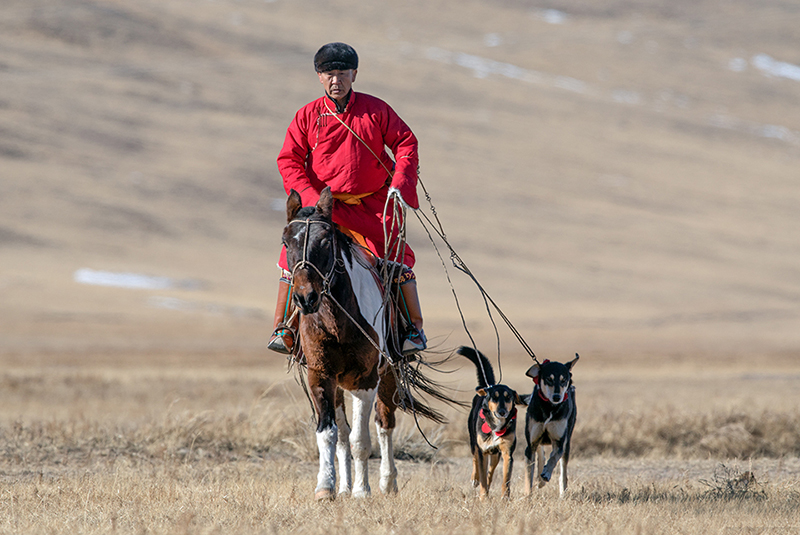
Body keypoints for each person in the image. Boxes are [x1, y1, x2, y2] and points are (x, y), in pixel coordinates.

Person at [268, 42, 427, 357]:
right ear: (319, 76)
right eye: (329, 73)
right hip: (327, 209)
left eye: (342, 73)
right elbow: (289, 160)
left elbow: (406, 142)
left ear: (354, 74)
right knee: (294, 259)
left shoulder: (376, 110)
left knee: (395, 257)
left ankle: (413, 329)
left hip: (372, 204)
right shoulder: (307, 116)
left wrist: (400, 183)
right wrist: (314, 201)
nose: (335, 80)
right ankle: (284, 328)